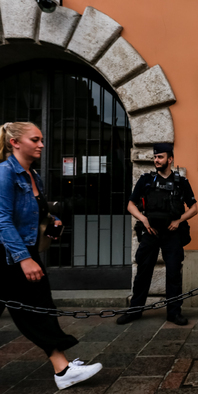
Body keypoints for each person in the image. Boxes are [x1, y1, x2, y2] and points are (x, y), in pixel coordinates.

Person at [0, 122, 103, 390]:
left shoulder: (33, 175)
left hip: (25, 250)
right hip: (10, 255)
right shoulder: (5, 173)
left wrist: (52, 220)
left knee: (39, 307)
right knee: (37, 309)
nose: (42, 144)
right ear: (15, 143)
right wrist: (24, 258)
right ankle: (63, 368)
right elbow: (2, 220)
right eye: (35, 139)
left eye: (41, 139)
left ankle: (63, 368)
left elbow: (37, 210)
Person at [117, 143, 198, 326]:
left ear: (170, 159)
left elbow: (194, 208)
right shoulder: (146, 180)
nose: (156, 160)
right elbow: (130, 205)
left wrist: (178, 221)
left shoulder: (181, 182)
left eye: (160, 157)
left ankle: (174, 313)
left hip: (172, 235)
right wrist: (144, 220)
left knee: (173, 275)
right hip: (150, 233)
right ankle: (135, 311)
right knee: (143, 273)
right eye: (155, 157)